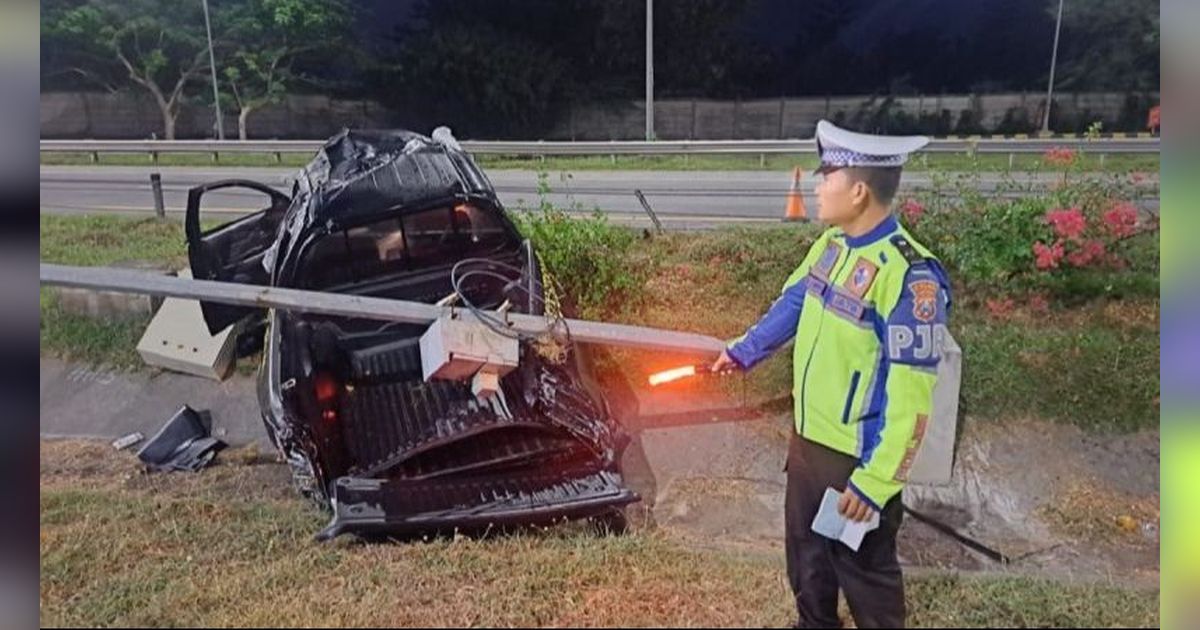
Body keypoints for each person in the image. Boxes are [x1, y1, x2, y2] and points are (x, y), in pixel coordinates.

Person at [711, 120, 952, 629]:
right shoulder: (832, 246)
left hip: (856, 461)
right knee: (807, 562)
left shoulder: (909, 277)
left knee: (865, 576)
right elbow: (794, 301)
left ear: (859, 189)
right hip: (808, 445)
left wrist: (873, 483)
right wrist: (744, 352)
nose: (817, 186)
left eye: (827, 177)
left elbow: (913, 400)